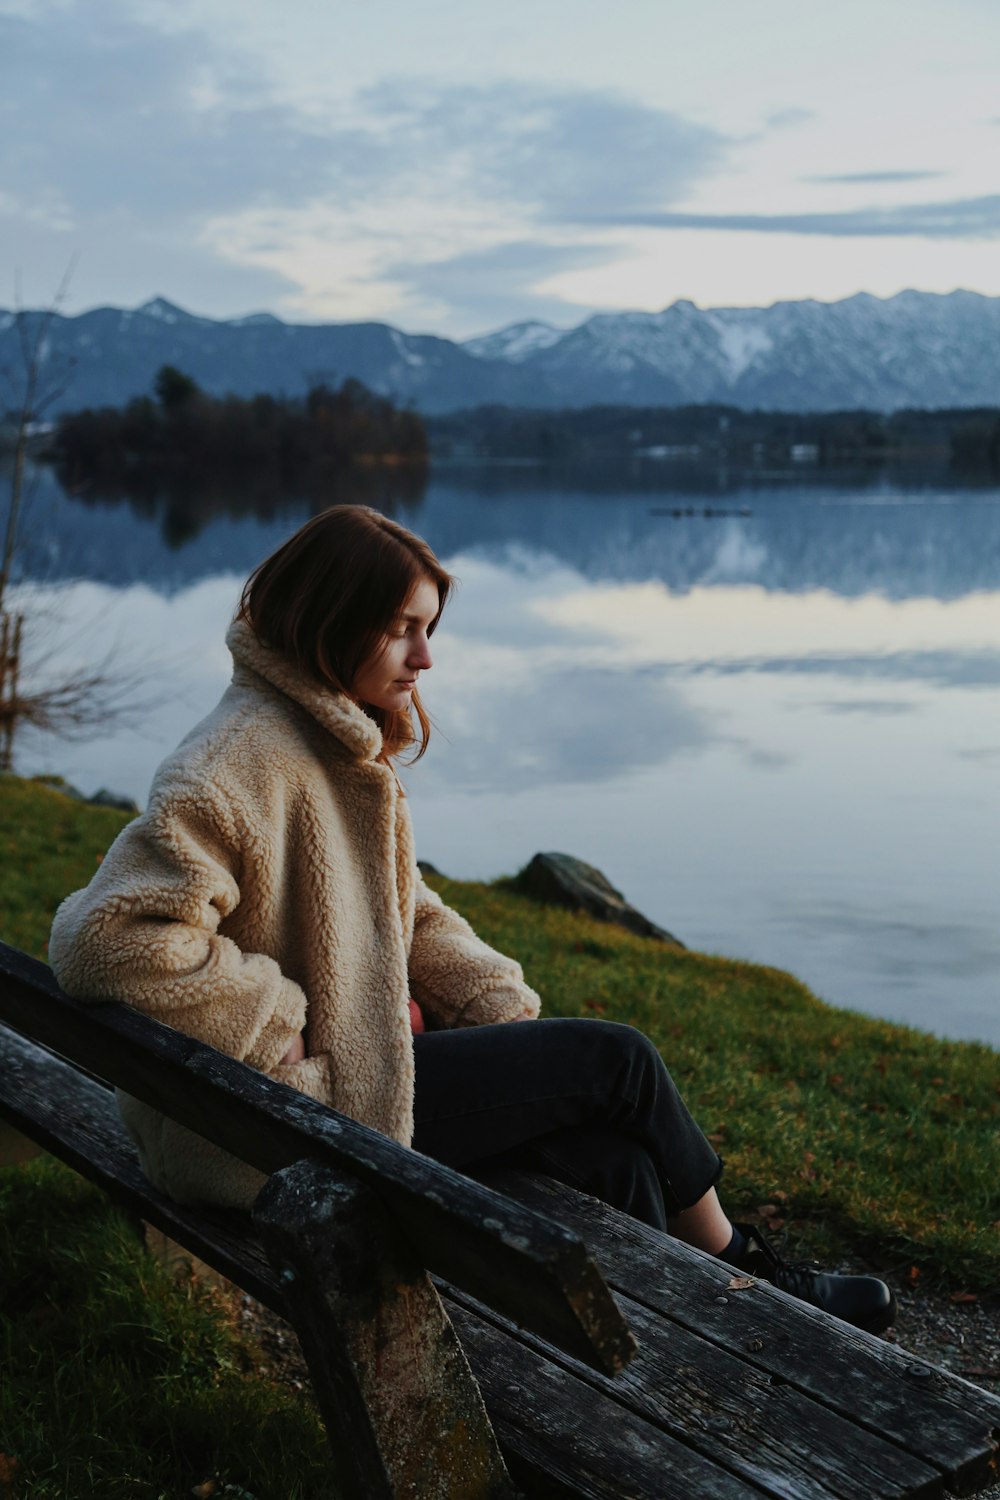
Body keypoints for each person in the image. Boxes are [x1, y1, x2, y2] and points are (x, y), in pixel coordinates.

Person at [49, 505, 894, 1334]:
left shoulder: (336, 745)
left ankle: (679, 1349)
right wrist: (275, 1021)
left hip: (335, 1086)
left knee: (620, 1160)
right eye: (402, 628)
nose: (425, 656)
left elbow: (405, 911)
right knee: (619, 1063)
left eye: (429, 628)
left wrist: (496, 1006)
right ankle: (749, 1276)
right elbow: (107, 939)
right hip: (279, 1121)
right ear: (333, 620)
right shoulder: (237, 760)